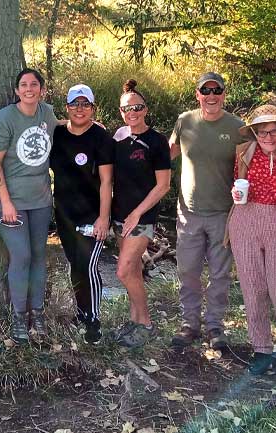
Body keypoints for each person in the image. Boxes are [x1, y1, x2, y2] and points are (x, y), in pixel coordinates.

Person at [226, 105, 276, 376]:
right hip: (245, 220)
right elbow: (237, 184)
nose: (268, 137)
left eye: (273, 131)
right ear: (254, 134)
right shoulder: (244, 152)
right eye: (262, 132)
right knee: (253, 288)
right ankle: (261, 348)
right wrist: (236, 194)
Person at [169, 72, 244, 350]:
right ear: (197, 94)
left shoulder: (237, 127)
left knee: (219, 274)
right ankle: (190, 324)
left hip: (223, 214)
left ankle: (215, 326)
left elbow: (247, 168)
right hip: (188, 212)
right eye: (206, 90)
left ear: (224, 94)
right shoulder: (184, 121)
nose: (211, 96)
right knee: (187, 270)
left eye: (217, 90)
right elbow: (166, 156)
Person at [0, 69, 58, 343]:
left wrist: (86, 124)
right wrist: (6, 202)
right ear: (16, 90)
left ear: (41, 89)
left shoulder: (47, 114)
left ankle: (37, 313)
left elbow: (59, 125)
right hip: (7, 202)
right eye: (23, 85)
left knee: (40, 255)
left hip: (40, 199)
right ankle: (19, 315)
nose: (29, 89)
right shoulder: (4, 119)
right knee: (23, 255)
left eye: (34, 84)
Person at [50, 84, 113, 345]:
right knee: (75, 266)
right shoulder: (57, 133)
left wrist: (103, 217)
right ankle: (80, 312)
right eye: (74, 104)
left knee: (88, 266)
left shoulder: (100, 137)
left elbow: (107, 181)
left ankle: (93, 320)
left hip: (92, 215)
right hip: (64, 213)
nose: (79, 109)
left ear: (93, 108)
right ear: (67, 107)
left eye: (85, 104)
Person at [111, 79, 171, 348]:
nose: (131, 113)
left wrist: (136, 213)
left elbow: (163, 186)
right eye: (126, 109)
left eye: (137, 107)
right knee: (133, 270)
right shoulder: (118, 137)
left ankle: (145, 323)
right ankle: (134, 320)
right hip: (118, 217)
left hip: (141, 219)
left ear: (146, 109)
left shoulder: (157, 141)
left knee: (123, 271)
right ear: (121, 112)